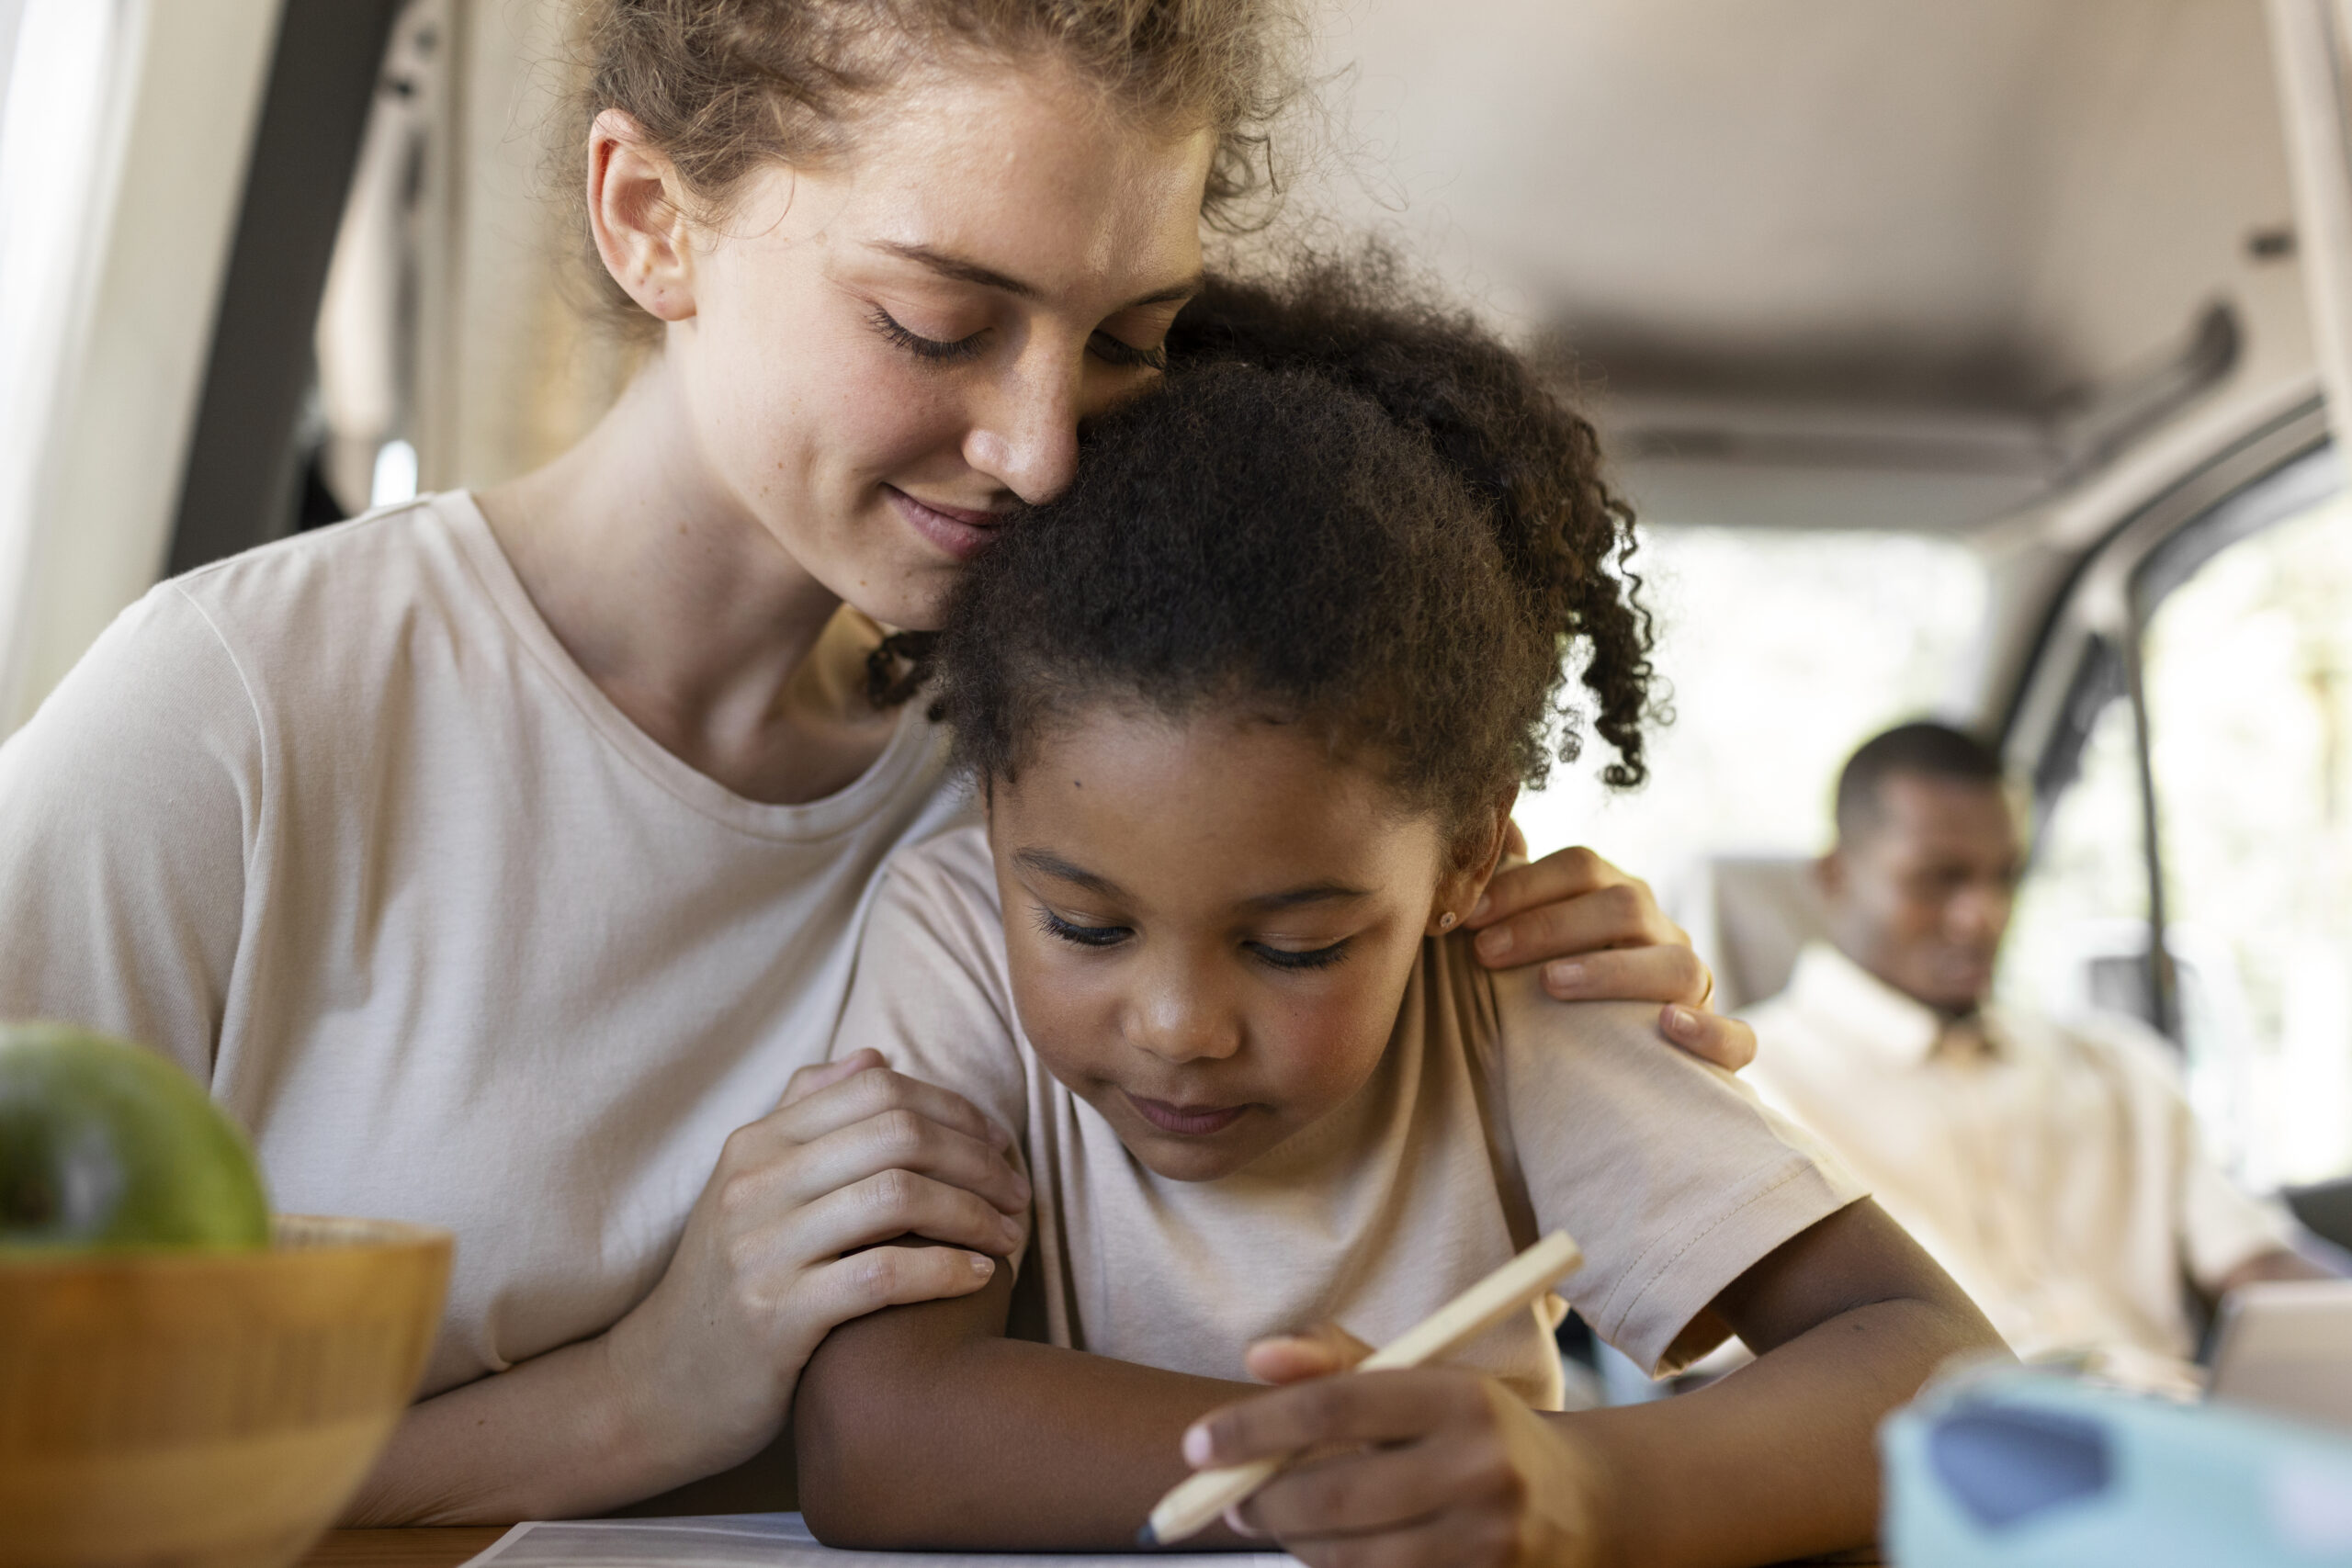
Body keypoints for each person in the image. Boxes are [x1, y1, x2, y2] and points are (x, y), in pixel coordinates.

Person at [0, 0, 1750, 1527]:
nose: (1046, 447)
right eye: (936, 321)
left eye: (1129, 338)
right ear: (651, 219)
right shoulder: (237, 717)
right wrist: (640, 1392)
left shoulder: (1049, 776)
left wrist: (1510, 956)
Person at [794, 294, 2004, 1568]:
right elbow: (876, 1433)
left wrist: (1576, 1485)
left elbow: (1945, 1365)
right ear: (990, 811)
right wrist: (1355, 1465)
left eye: (1298, 947)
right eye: (1085, 925)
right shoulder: (954, 935)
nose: (1178, 1026)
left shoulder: (1513, 983)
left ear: (1468, 861)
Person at [1740, 722, 2326, 1380]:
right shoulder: (1748, 1087)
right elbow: (1732, 1377)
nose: (1983, 914)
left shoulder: (2120, 1066)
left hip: (2180, 1439)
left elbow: (2260, 1263)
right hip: (1920, 1460)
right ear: (1835, 876)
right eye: (1940, 879)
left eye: (2005, 876)